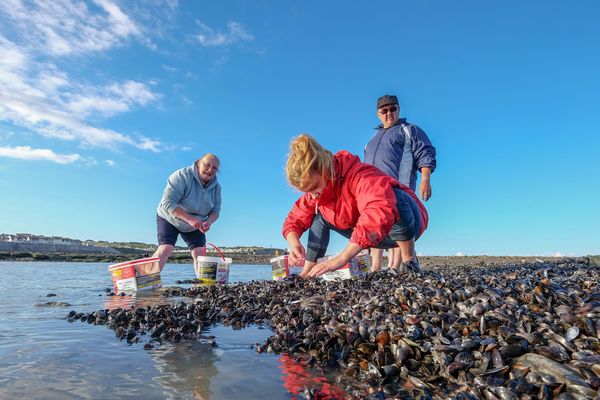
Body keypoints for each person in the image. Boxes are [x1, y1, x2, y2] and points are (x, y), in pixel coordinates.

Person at [282, 134, 428, 278]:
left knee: (394, 197)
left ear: (324, 169)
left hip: (409, 223)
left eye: (314, 187)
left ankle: (409, 260)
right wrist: (294, 243)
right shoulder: (315, 195)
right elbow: (294, 219)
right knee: (319, 216)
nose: (312, 196)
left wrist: (342, 258)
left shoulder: (359, 175)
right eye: (307, 191)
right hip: (374, 238)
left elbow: (379, 209)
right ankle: (308, 271)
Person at [364, 95, 437, 271]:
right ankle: (375, 268)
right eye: (384, 110)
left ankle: (394, 267)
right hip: (373, 191)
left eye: (393, 109)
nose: (389, 113)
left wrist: (425, 179)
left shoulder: (409, 130)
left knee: (397, 221)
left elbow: (425, 153)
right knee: (374, 223)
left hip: (398, 187)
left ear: (398, 109)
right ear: (378, 114)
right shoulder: (371, 140)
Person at [153, 154, 221, 275]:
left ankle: (203, 285)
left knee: (199, 253)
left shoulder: (216, 188)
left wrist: (208, 222)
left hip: (196, 223)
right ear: (198, 163)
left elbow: (215, 211)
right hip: (170, 217)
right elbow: (168, 202)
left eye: (215, 168)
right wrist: (190, 219)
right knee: (166, 248)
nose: (210, 170)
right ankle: (144, 278)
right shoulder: (181, 176)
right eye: (207, 165)